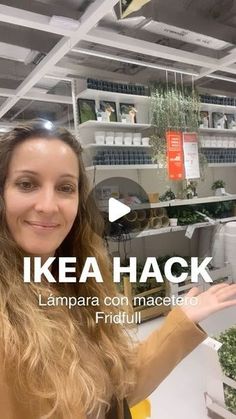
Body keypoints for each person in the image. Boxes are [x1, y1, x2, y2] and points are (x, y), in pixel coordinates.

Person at [0, 119, 235, 419]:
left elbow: (117, 390)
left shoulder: (72, 286)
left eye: (65, 187)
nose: (48, 205)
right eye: (27, 184)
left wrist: (181, 321)